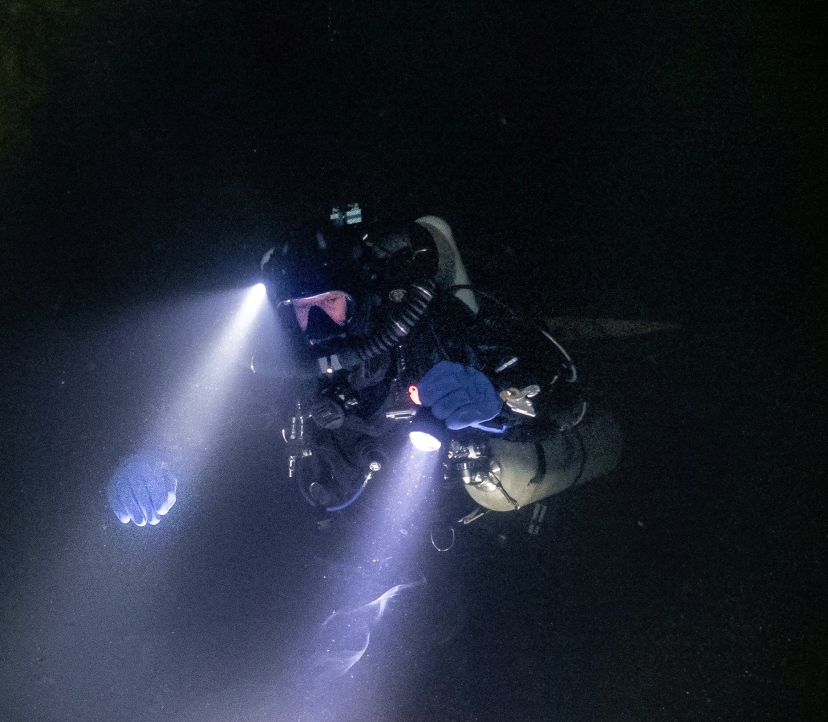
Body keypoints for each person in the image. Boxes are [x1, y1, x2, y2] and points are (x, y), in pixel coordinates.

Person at [259, 202, 618, 516]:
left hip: (452, 506)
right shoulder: (295, 366)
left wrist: (500, 399)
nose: (317, 321)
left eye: (330, 301)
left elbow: (566, 404)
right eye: (303, 308)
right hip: (358, 510)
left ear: (356, 297)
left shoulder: (420, 334)